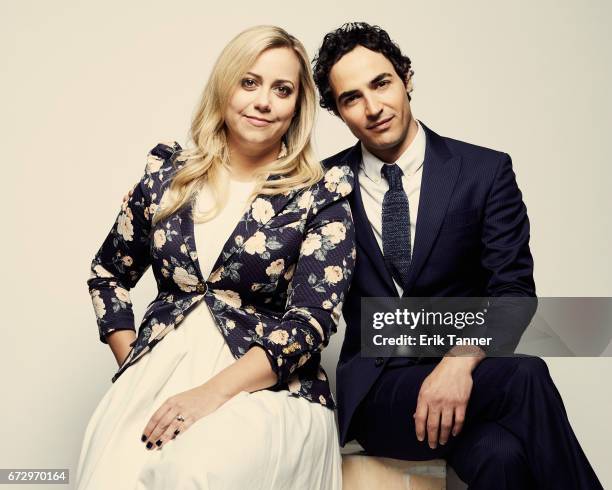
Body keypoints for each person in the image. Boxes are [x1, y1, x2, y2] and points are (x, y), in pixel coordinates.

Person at [312, 22, 603, 489]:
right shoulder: (322, 186)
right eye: (351, 98)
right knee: (526, 376)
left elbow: (513, 292)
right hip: (378, 392)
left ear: (406, 77)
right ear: (338, 111)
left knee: (500, 456)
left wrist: (459, 360)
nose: (373, 107)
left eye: (381, 83)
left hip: (466, 378)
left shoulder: (484, 172)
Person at [76, 25, 355, 490]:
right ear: (225, 86)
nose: (263, 101)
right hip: (157, 379)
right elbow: (107, 274)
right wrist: (133, 366)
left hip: (267, 388)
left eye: (282, 89)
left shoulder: (320, 195)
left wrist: (208, 395)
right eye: (249, 82)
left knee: (196, 472)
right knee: (108, 476)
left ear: (297, 106)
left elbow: (312, 322)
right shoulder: (166, 177)